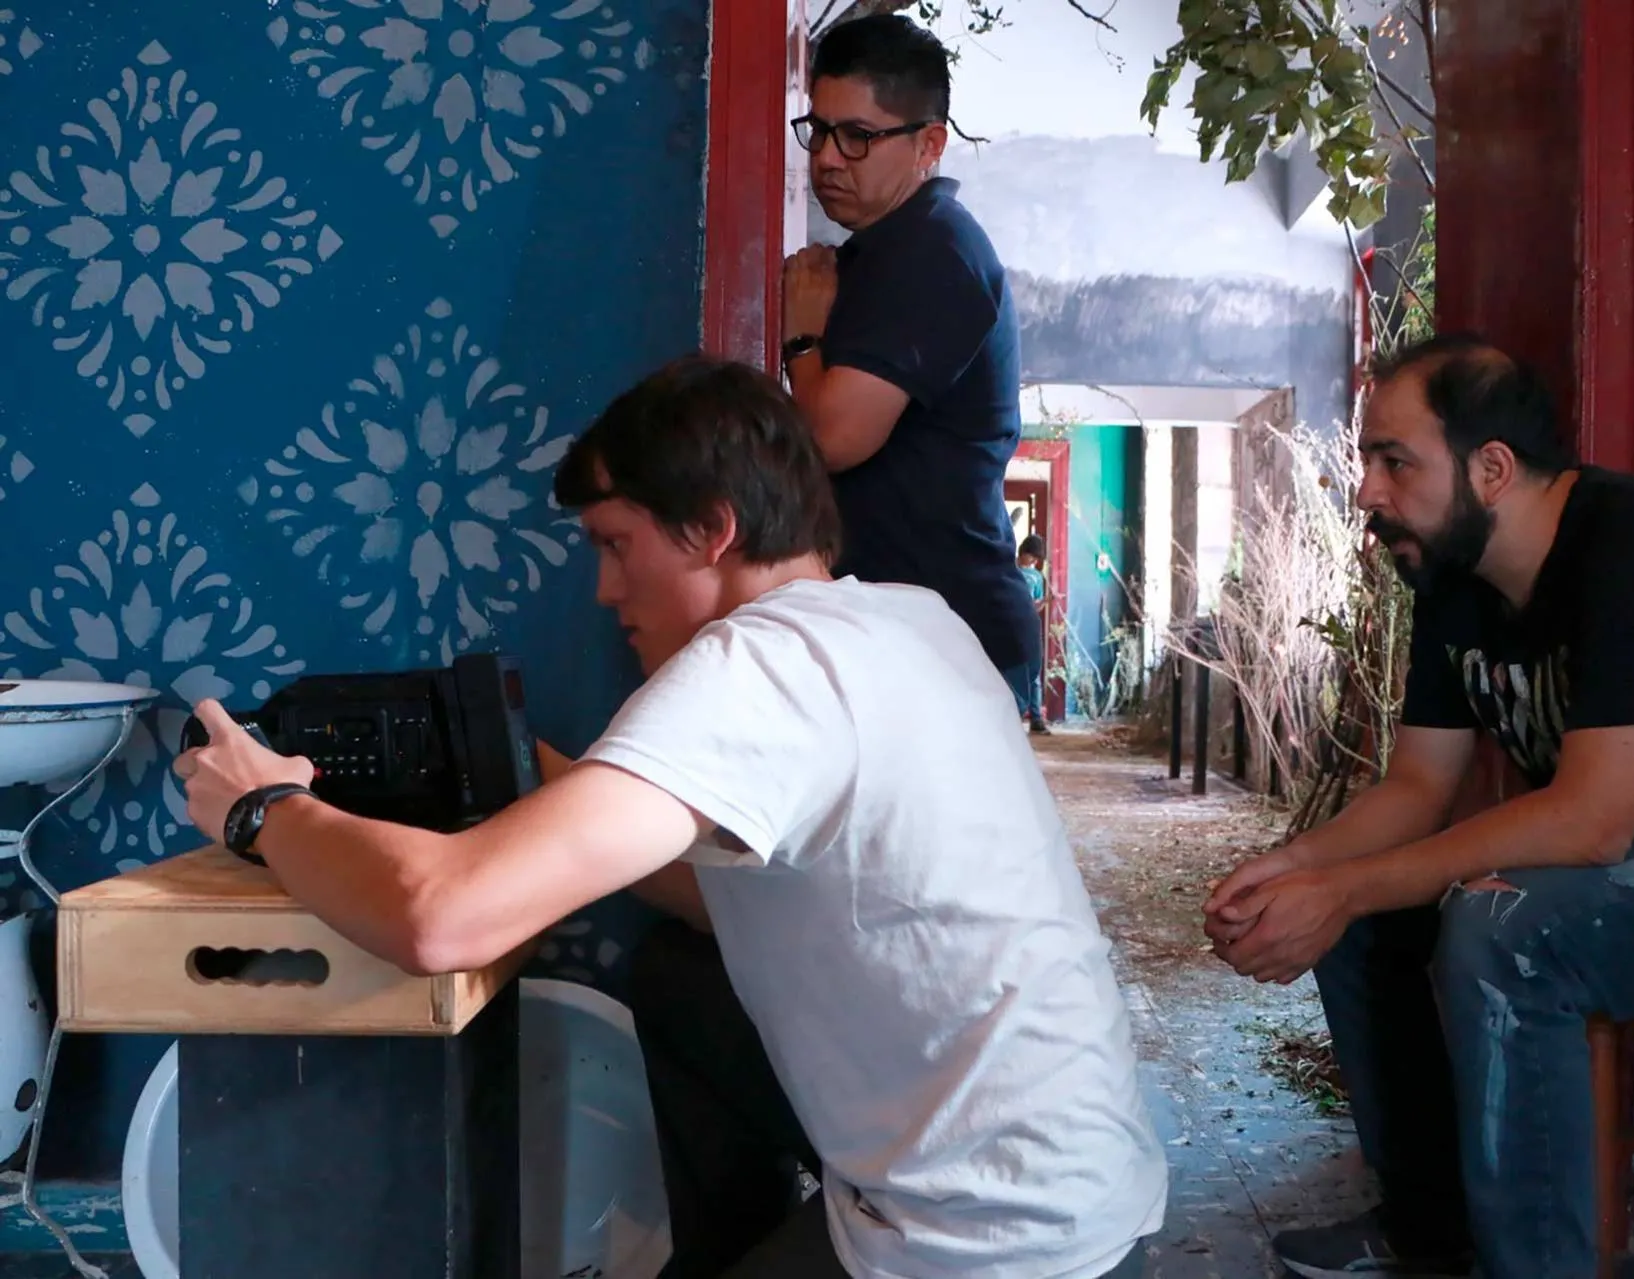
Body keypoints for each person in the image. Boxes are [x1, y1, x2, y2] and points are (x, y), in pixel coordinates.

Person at [172, 358, 1167, 1279]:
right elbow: (720, 889)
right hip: (1081, 1178)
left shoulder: (763, 665)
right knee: (681, 976)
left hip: (989, 1239)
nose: (606, 590)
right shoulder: (905, 620)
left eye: (617, 545)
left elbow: (441, 920)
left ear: (715, 528)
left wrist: (263, 808)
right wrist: (531, 778)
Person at [1200, 333, 1634, 1279]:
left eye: (1394, 460)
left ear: (1491, 467)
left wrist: (1349, 886)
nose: (1367, 492)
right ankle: (1433, 1228)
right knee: (1364, 914)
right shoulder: (1453, 583)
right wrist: (1299, 873)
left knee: (1506, 928)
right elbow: (1419, 788)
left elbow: (1589, 819)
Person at [779, 15, 1042, 718]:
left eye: (858, 137)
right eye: (820, 130)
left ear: (929, 143)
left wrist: (802, 340)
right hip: (906, 629)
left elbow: (833, 437)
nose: (828, 158)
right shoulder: (883, 250)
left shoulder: (932, 252)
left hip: (953, 638)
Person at [1017, 534, 1052, 734]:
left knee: (1034, 672)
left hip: (1030, 625)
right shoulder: (1010, 570)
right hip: (1011, 624)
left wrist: (1045, 602)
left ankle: (1036, 718)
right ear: (1024, 552)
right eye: (1032, 556)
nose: (1034, 561)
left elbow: (1035, 605)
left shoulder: (1037, 577)